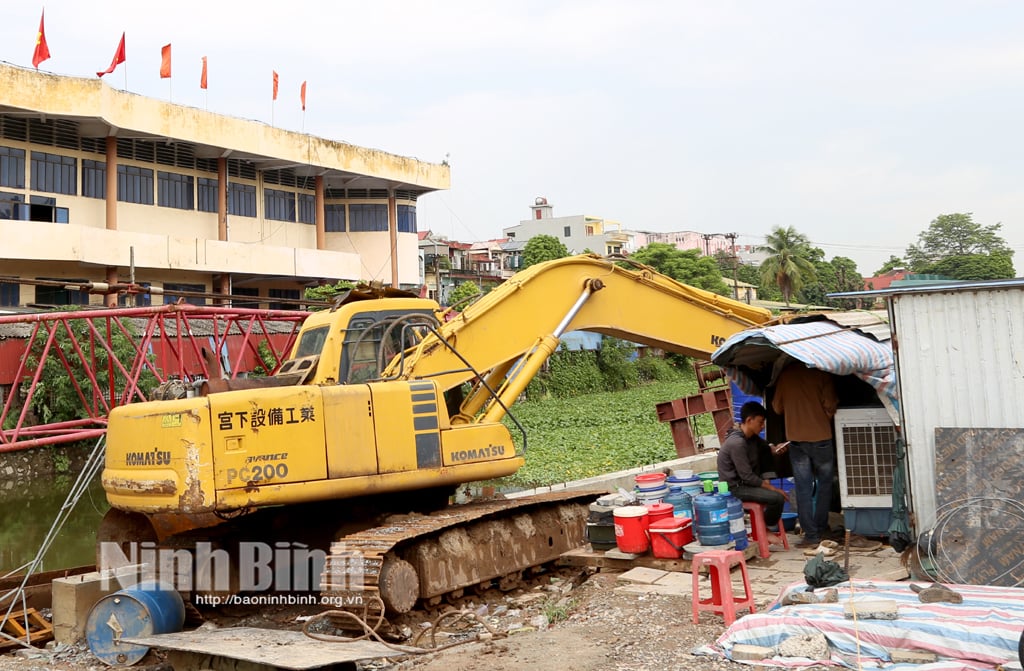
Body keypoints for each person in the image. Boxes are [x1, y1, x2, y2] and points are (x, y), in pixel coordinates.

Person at [771, 362, 838, 549]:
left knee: (803, 488)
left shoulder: (784, 376)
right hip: (822, 438)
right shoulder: (821, 374)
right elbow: (830, 404)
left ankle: (811, 535)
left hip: (797, 441)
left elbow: (777, 407)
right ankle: (822, 527)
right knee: (825, 484)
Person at [717, 401, 788, 544]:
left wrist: (774, 448)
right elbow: (747, 477)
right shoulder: (737, 443)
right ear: (749, 420)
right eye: (760, 422)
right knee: (777, 498)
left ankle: (762, 527)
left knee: (775, 496)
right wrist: (773, 489)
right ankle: (764, 528)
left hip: (745, 485)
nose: (762, 426)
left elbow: (765, 446)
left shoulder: (751, 438)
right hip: (735, 489)